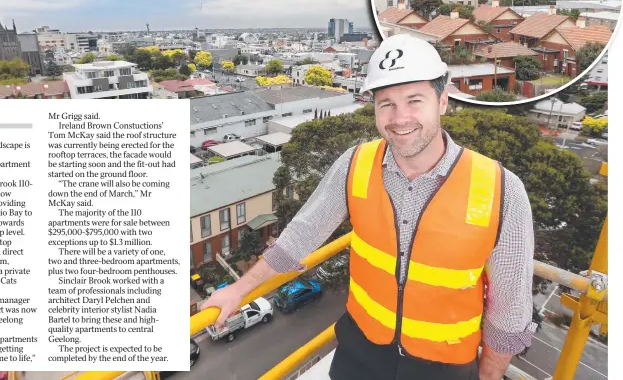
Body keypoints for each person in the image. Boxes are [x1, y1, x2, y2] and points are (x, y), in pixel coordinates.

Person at [201, 34, 536, 380]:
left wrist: (489, 376)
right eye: (386, 103)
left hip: (444, 367)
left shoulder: (500, 188)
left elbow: (510, 310)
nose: (400, 117)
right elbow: (300, 235)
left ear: (443, 102)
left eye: (414, 100)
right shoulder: (356, 164)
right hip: (360, 352)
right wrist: (240, 290)